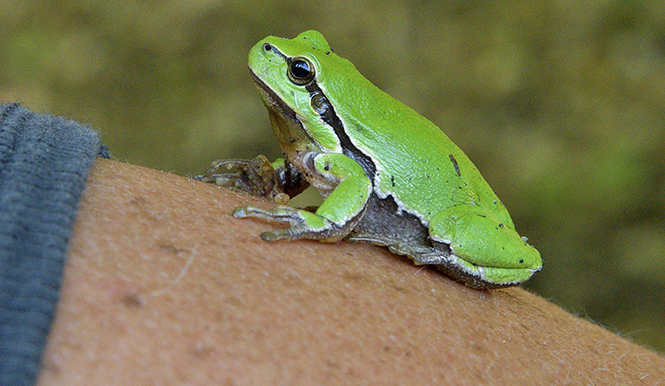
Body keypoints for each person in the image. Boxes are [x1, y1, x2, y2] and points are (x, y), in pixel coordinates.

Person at [1, 103, 664, 385]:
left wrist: (317, 222)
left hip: (447, 219)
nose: (276, 70)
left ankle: (452, 245)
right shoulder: (317, 144)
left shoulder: (337, 155)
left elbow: (349, 179)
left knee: (432, 221)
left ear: (317, 96)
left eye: (297, 72)